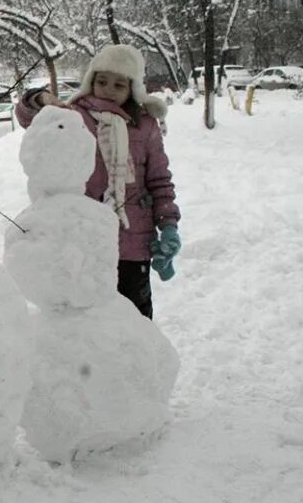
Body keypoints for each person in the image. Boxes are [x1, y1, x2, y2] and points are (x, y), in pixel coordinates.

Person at [15, 44, 181, 319]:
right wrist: (39, 98)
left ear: (132, 89)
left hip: (134, 241)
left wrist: (169, 225)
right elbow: (27, 117)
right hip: (85, 237)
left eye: (119, 84)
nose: (108, 89)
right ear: (91, 80)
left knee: (134, 319)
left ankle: (137, 363)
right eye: (101, 81)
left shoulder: (145, 125)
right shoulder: (74, 116)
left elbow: (160, 180)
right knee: (88, 318)